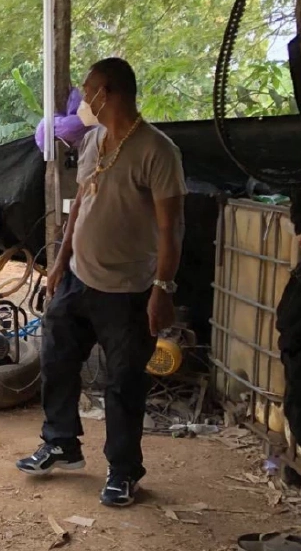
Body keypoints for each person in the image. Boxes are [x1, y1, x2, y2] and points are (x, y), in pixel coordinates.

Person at [16, 57, 186, 508]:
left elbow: (171, 228)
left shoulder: (158, 151)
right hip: (77, 280)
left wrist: (163, 289)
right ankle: (61, 444)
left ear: (108, 92)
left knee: (124, 383)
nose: (83, 98)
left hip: (128, 291)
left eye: (88, 89)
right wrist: (59, 262)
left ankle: (124, 471)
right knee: (56, 359)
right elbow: (80, 207)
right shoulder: (93, 140)